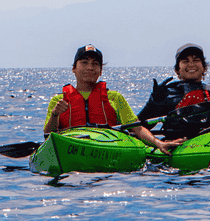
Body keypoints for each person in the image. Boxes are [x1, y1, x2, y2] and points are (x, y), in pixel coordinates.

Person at [43, 45, 182, 154]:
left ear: (101, 71)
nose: (90, 67)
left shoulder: (115, 98)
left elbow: (137, 128)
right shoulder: (58, 101)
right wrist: (55, 114)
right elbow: (48, 136)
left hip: (106, 149)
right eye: (84, 63)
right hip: (71, 147)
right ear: (74, 68)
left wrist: (159, 143)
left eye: (95, 64)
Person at [137, 43, 210, 140]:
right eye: (185, 61)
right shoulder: (166, 94)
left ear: (204, 67)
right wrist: (154, 102)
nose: (191, 64)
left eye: (196, 60)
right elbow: (137, 128)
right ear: (177, 69)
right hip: (178, 145)